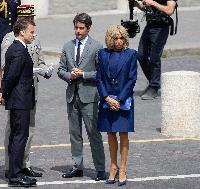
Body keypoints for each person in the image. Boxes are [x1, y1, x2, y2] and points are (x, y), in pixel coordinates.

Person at [0, 4, 54, 178]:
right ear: (19, 19)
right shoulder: (10, 39)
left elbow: (40, 60)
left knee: (29, 129)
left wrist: (45, 70)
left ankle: (24, 164)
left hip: (32, 90)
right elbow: (8, 68)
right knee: (14, 130)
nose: (29, 21)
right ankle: (11, 166)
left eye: (30, 18)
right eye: (26, 18)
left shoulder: (34, 37)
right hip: (18, 91)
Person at [57, 13, 106, 181]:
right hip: (72, 96)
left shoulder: (97, 47)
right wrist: (70, 75)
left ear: (88, 28)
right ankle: (77, 166)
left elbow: (102, 73)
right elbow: (60, 69)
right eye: (76, 27)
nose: (78, 31)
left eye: (81, 28)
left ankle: (100, 168)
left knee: (94, 134)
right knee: (74, 134)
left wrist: (83, 74)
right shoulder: (67, 46)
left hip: (90, 97)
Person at [96, 25, 137, 186]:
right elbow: (99, 78)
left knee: (124, 134)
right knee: (111, 135)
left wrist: (119, 100)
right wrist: (106, 98)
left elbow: (132, 79)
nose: (119, 41)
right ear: (110, 39)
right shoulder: (102, 54)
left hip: (124, 101)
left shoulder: (131, 54)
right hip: (107, 101)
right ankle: (113, 167)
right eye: (115, 38)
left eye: (121, 38)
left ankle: (122, 169)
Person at [0, 19, 37, 187]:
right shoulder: (19, 50)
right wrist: (2, 93)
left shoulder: (17, 48)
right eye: (31, 32)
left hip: (18, 100)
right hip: (20, 101)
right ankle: (15, 176)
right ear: (22, 32)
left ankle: (16, 172)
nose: (33, 35)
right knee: (19, 138)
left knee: (17, 137)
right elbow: (11, 75)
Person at [133, 0, 177, 100]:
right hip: (149, 26)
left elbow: (170, 10)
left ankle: (154, 86)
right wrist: (136, 4)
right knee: (141, 55)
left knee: (154, 58)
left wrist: (153, 3)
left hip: (161, 27)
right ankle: (153, 83)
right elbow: (146, 8)